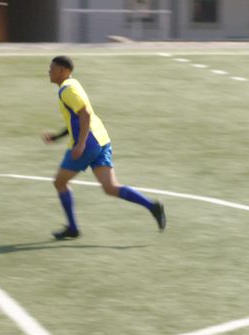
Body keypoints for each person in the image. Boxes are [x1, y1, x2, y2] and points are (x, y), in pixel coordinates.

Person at [41, 55, 166, 240]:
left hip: (88, 143)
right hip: (101, 140)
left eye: (51, 68)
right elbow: (78, 118)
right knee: (110, 187)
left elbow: (85, 115)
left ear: (62, 71)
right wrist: (57, 137)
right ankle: (152, 206)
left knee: (59, 182)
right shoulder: (73, 84)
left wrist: (81, 144)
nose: (48, 72)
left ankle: (73, 228)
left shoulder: (67, 90)